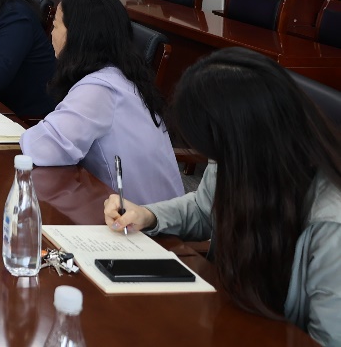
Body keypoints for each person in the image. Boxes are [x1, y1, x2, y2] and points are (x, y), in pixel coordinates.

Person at [106, 49, 341, 345]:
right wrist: (149, 215)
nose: (214, 164)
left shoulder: (331, 225)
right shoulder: (246, 159)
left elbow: (328, 340)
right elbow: (204, 209)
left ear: (241, 143)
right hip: (233, 313)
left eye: (215, 154)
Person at [20, 0, 182, 203]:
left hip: (140, 217)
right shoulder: (120, 74)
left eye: (56, 25)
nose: (51, 32)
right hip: (136, 207)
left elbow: (43, 148)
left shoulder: (99, 89)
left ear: (77, 35)